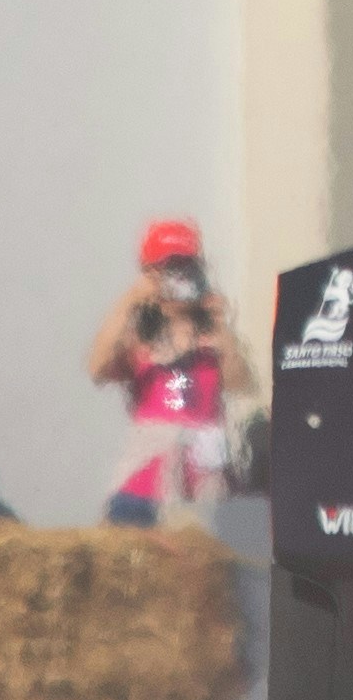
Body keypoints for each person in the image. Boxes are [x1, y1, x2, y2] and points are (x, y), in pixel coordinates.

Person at [93, 218, 253, 529]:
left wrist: (221, 328)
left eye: (187, 266)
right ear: (149, 273)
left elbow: (241, 383)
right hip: (143, 489)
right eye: (168, 268)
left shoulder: (211, 333)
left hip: (204, 489)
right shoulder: (141, 334)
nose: (179, 276)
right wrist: (130, 302)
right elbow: (99, 368)